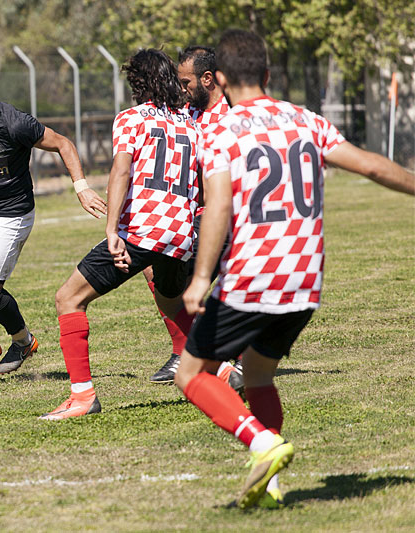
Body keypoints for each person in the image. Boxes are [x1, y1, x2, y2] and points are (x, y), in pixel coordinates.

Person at [174, 29, 414, 509]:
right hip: (304, 280)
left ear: (219, 79)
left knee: (190, 375)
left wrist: (201, 278)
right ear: (267, 74)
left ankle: (260, 442)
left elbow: (217, 206)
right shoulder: (305, 119)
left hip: (251, 277)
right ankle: (271, 485)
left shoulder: (221, 130)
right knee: (259, 376)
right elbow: (368, 165)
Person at [41, 49, 201, 420]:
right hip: (181, 234)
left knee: (68, 299)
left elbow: (121, 171)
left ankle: (82, 396)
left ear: (137, 84)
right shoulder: (191, 124)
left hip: (142, 231)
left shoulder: (131, 119)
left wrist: (112, 229)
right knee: (172, 301)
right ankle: (221, 368)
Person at [0, 62, 106, 375]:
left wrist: (81, 188)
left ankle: (23, 341)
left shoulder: (16, 123)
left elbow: (63, 144)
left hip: (12, 215)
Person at [147, 46, 241, 388]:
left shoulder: (233, 117)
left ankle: (217, 355)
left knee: (179, 274)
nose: (181, 87)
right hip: (193, 214)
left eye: (185, 81)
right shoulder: (188, 112)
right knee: (157, 264)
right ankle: (186, 350)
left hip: (225, 214)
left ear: (207, 79)